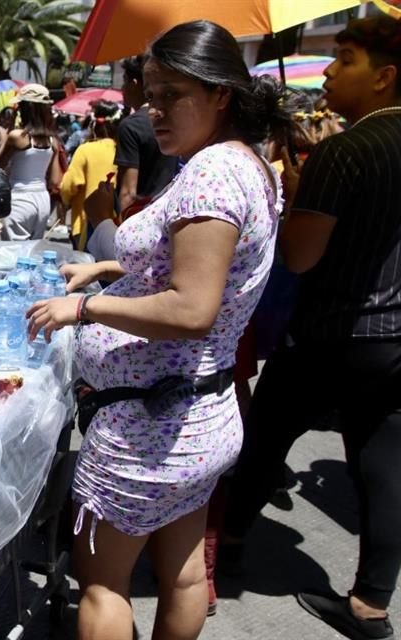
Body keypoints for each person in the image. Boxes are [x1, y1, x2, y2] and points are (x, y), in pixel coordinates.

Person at [26, 20, 288, 640]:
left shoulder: (214, 175)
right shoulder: (244, 162)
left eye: (173, 94)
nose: (154, 109)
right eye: (149, 93)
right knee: (185, 574)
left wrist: (85, 310)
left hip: (150, 429)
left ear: (221, 92)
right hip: (200, 416)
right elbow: (210, 263)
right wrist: (113, 266)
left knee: (102, 586)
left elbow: (193, 306)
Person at [223, 16, 401, 640]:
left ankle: (228, 545)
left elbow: (300, 254)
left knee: (266, 438)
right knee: (384, 464)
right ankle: (371, 605)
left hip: (332, 330)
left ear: (384, 77)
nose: (328, 69)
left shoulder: (345, 149)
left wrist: (297, 198)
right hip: (395, 338)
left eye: (344, 58)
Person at [115, 55, 180, 214]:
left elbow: (128, 192)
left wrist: (121, 229)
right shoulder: (173, 120)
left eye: (124, 81)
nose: (122, 88)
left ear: (134, 83)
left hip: (139, 217)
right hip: (166, 212)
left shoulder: (131, 126)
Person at [0, 84, 63, 241]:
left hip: (19, 198)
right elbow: (55, 180)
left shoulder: (17, 136)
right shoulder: (53, 141)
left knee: (13, 252)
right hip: (42, 200)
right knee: (31, 253)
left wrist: (8, 131)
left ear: (25, 109)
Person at [61, 100, 121, 252]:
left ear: (94, 124)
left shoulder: (86, 150)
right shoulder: (123, 150)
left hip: (87, 223)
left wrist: (65, 202)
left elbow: (69, 186)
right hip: (118, 222)